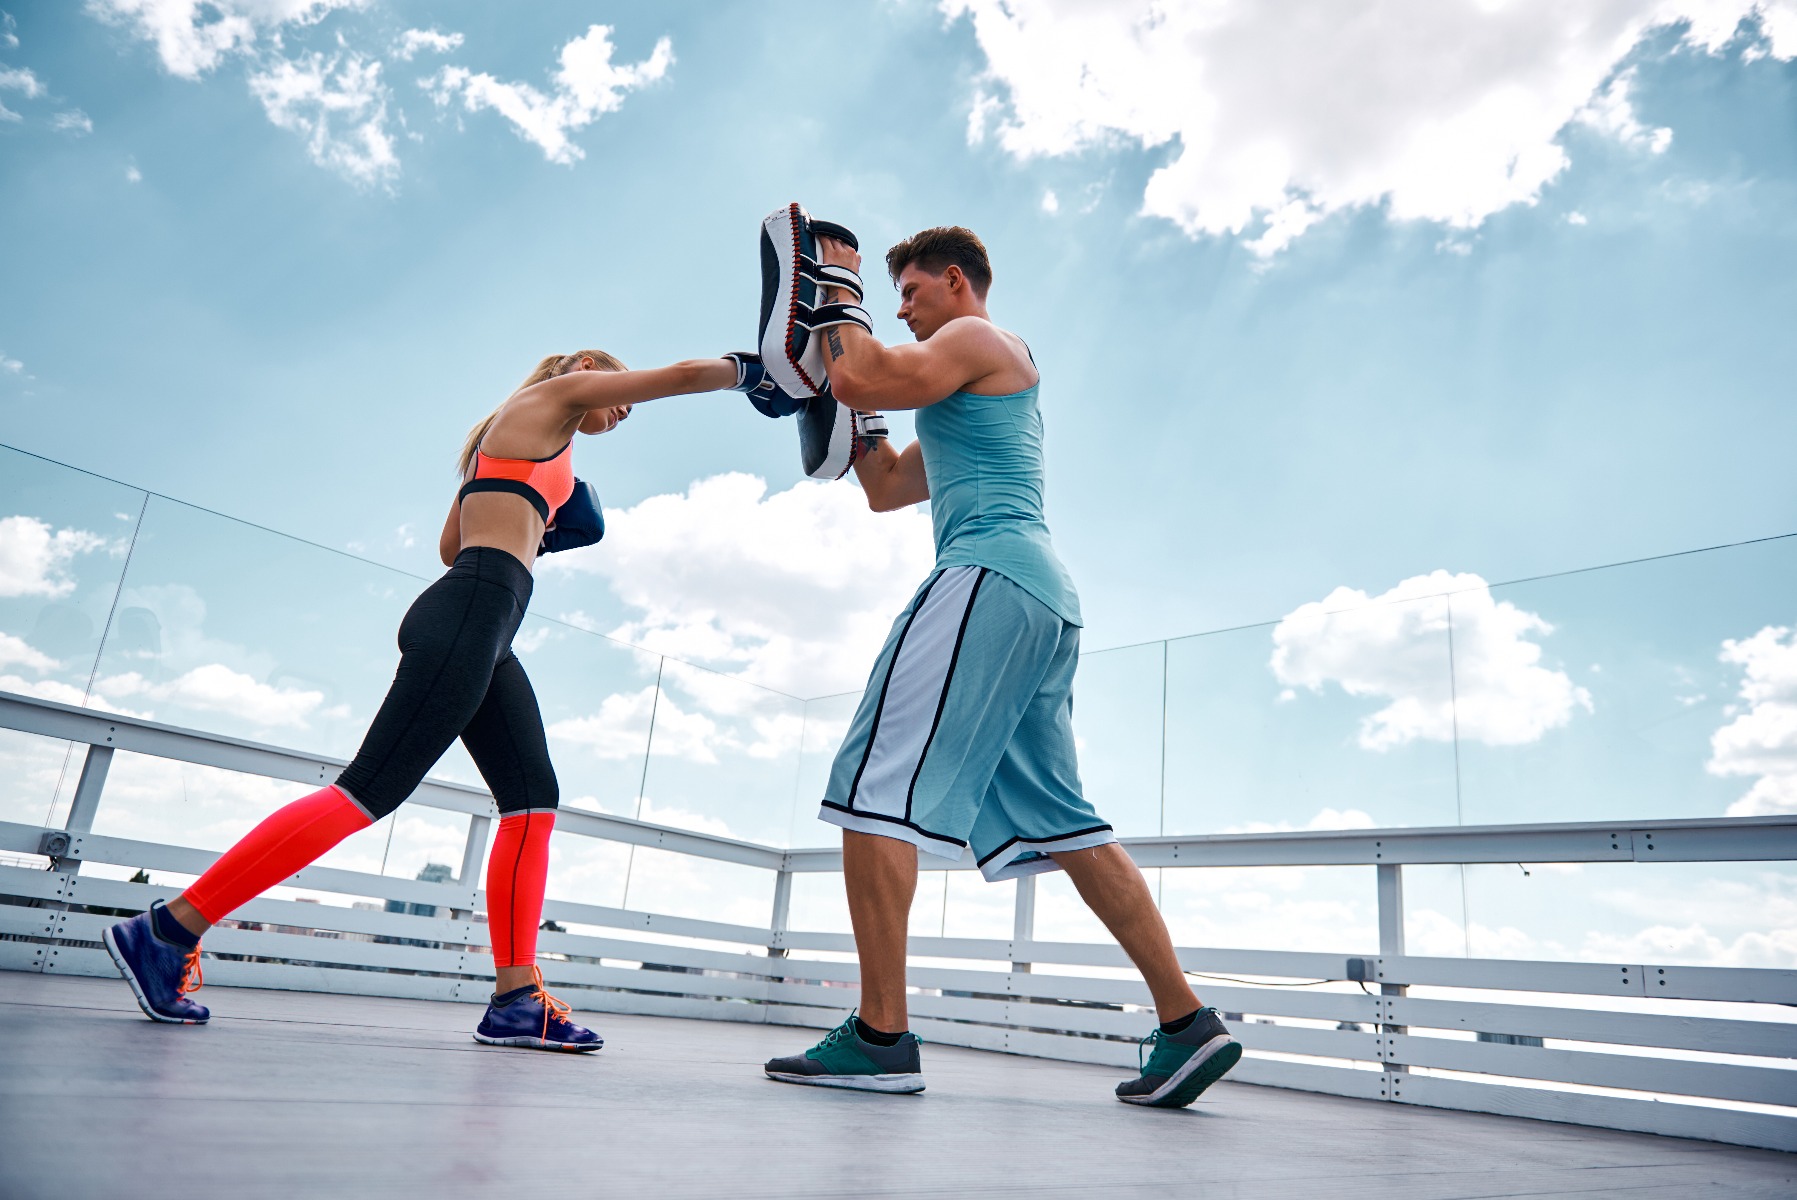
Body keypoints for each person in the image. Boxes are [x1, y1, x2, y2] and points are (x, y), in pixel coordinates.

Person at [103, 348, 761, 1051]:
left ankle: (516, 998)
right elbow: (687, 376)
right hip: (473, 612)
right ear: (588, 367)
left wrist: (540, 521)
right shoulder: (559, 398)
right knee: (368, 791)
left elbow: (451, 544)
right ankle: (169, 929)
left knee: (533, 801)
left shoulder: (511, 442)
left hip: (485, 619)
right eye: (618, 390)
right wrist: (753, 371)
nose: (625, 409)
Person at [761, 227, 1241, 1106]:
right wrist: (838, 407)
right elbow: (884, 485)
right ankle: (1186, 1026)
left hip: (987, 574)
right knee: (1062, 820)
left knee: (871, 786)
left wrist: (834, 296)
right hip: (1041, 600)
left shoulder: (978, 338)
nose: (901, 308)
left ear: (955, 282)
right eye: (893, 297)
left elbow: (866, 369)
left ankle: (879, 1036)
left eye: (910, 292)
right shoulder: (958, 378)